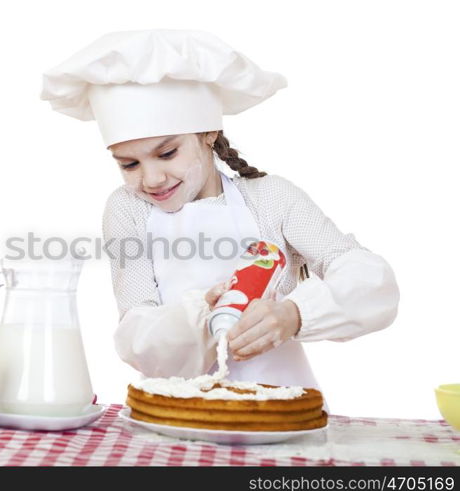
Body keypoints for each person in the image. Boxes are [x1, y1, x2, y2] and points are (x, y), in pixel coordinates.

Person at [40, 29, 400, 394]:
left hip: (279, 404)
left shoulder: (270, 199)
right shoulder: (127, 209)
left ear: (209, 133)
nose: (151, 178)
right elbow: (137, 339)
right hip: (176, 407)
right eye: (129, 164)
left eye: (167, 154)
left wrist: (294, 314)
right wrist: (198, 315)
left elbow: (373, 284)